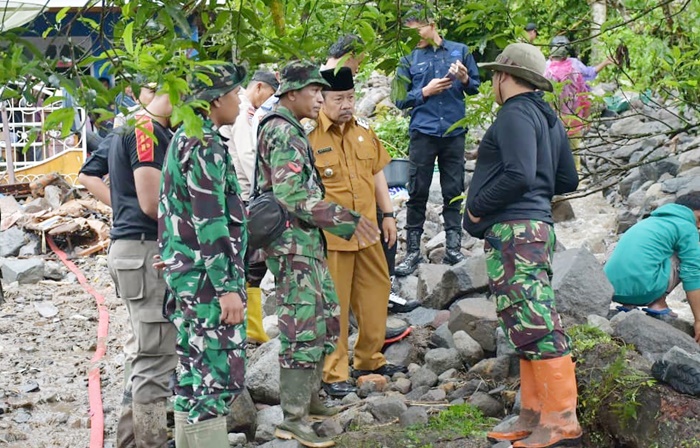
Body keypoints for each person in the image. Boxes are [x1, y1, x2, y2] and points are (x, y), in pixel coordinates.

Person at [257, 61, 380, 447]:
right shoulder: (283, 132)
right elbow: (291, 194)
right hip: (293, 245)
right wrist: (344, 219)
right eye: (313, 92)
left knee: (322, 319)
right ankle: (293, 418)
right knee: (301, 329)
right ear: (292, 93)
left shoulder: (290, 128)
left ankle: (310, 401)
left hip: (306, 243)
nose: (319, 98)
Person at [463, 43, 581, 448]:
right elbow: (567, 180)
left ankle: (562, 420)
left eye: (494, 76)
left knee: (536, 323)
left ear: (503, 77)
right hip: (537, 229)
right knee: (525, 322)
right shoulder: (548, 117)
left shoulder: (514, 113)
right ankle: (534, 414)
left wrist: (477, 207)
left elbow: (517, 174)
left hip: (516, 232)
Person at [159, 63, 249, 447]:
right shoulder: (204, 144)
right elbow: (209, 222)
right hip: (206, 281)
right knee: (216, 378)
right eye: (234, 92)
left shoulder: (184, 137)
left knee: (192, 375)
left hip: (188, 275)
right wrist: (228, 286)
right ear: (215, 100)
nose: (241, 98)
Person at [306, 67, 407, 398]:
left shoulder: (363, 132)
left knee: (376, 294)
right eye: (339, 99)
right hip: (333, 238)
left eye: (350, 97)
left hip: (368, 231)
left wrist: (388, 214)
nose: (347, 104)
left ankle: (370, 360)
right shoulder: (309, 139)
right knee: (335, 304)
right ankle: (334, 373)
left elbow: (378, 172)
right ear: (322, 99)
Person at [107, 91, 177, 447]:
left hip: (132, 248)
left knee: (143, 354)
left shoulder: (135, 126)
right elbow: (152, 203)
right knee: (155, 358)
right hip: (145, 249)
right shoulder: (146, 130)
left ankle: (129, 441)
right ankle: (149, 443)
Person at [392, 5, 481, 276]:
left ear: (431, 24)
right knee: (416, 191)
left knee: (453, 190)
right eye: (409, 32)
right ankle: (412, 253)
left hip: (453, 132)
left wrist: (465, 78)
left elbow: (475, 86)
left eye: (417, 29)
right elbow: (399, 99)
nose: (415, 36)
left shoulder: (460, 50)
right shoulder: (407, 58)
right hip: (423, 132)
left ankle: (453, 248)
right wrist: (425, 92)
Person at [218, 69, 279, 345]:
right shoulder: (242, 111)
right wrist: (261, 190)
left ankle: (249, 326)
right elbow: (246, 154)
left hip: (239, 195)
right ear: (258, 87)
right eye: (270, 93)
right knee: (253, 263)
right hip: (245, 196)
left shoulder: (243, 109)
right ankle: (252, 327)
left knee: (249, 262)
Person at [604, 194, 700, 342]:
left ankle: (628, 304)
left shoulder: (650, 221)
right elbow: (692, 274)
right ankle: (657, 304)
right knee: (690, 258)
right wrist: (698, 320)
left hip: (613, 290)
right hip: (647, 290)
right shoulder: (687, 226)